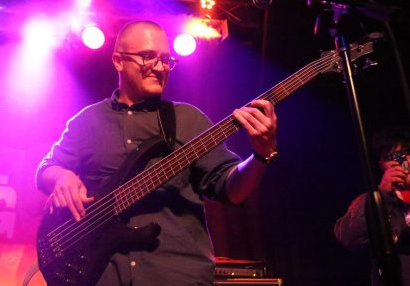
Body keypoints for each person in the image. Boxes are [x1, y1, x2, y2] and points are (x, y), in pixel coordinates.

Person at [36, 20, 278, 285]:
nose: (161, 67)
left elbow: (232, 190)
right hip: (102, 275)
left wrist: (261, 155)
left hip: (175, 274)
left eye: (165, 59)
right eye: (148, 57)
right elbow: (46, 170)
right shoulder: (87, 121)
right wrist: (60, 176)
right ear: (118, 61)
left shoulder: (189, 120)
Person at [334, 126, 410, 286]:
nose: (400, 162)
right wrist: (381, 195)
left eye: (406, 154)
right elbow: (348, 237)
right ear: (381, 164)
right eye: (392, 156)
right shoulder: (369, 201)